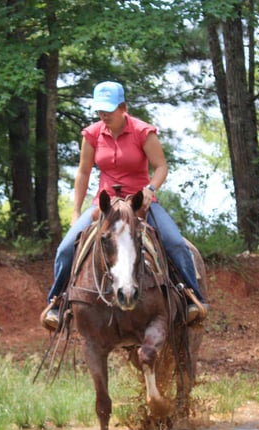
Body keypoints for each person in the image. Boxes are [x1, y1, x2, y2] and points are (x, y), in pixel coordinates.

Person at [41, 80, 208, 330]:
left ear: (123, 107)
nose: (104, 115)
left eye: (109, 109)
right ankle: (57, 303)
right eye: (100, 110)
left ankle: (192, 299)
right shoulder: (92, 134)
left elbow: (161, 167)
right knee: (65, 249)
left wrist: (151, 189)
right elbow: (83, 173)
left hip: (140, 204)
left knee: (174, 242)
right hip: (104, 206)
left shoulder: (143, 132)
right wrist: (76, 211)